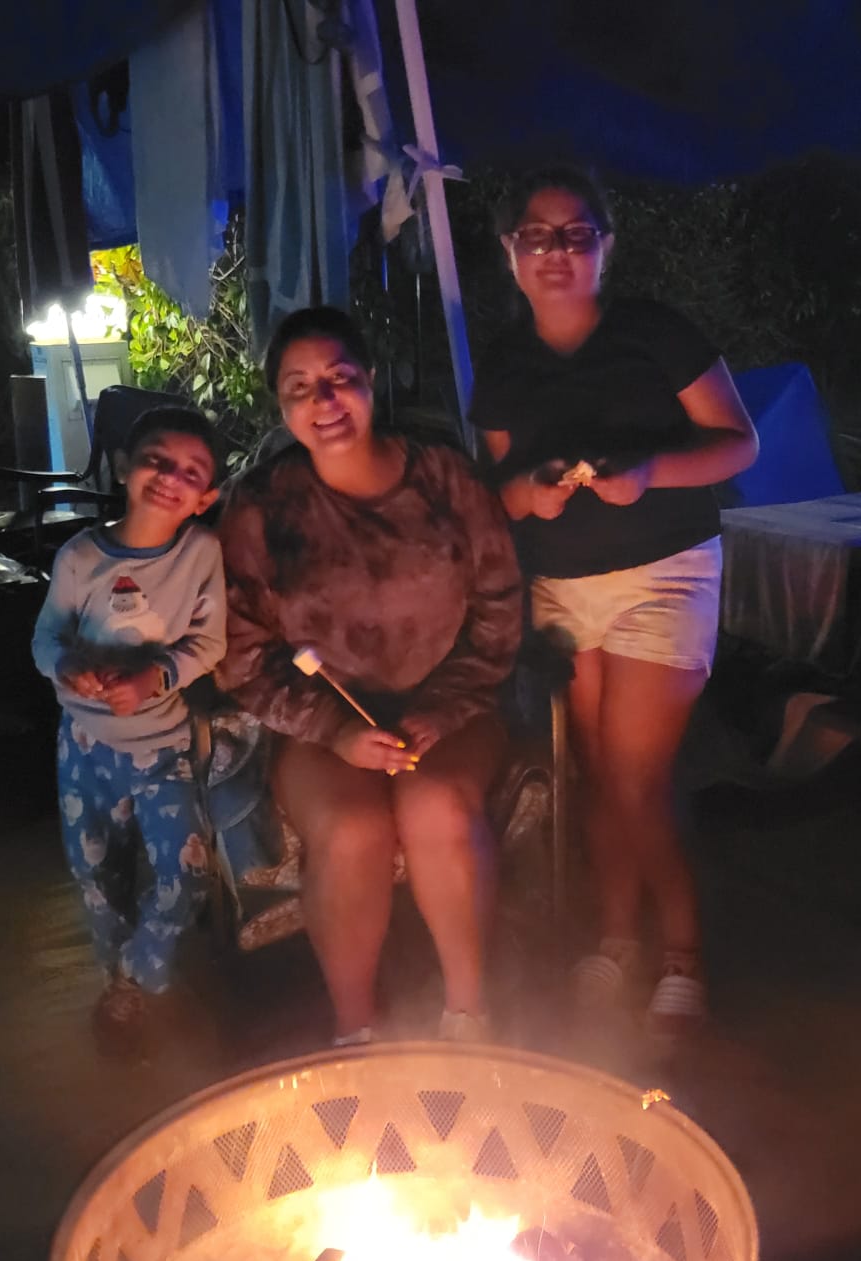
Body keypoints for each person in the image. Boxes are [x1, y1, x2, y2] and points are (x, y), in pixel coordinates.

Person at [470, 164, 759, 1034]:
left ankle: (682, 954)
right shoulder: (505, 363)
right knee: (598, 775)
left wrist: (650, 473)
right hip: (563, 585)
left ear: (605, 245)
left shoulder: (655, 333)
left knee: (635, 780)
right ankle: (618, 937)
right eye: (536, 235)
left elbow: (739, 442)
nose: (556, 251)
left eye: (575, 234)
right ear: (510, 251)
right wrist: (533, 496)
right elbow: (497, 491)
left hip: (664, 572)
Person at [218, 306, 522, 1046]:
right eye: (299, 388)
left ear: (371, 380)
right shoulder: (262, 507)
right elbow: (241, 655)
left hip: (450, 714)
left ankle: (467, 1017)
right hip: (323, 730)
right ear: (282, 406)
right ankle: (357, 1033)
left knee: (435, 805)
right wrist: (336, 730)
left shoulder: (445, 479)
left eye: (339, 378)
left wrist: (443, 709)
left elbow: (499, 607)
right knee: (353, 829)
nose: (323, 401)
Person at [31, 405, 228, 1058]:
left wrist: (155, 677)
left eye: (192, 472)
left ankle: (137, 970)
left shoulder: (200, 553)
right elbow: (46, 636)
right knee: (97, 874)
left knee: (186, 872)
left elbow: (209, 642)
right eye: (156, 460)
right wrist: (67, 667)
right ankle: (119, 987)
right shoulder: (80, 556)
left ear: (206, 498)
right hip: (84, 748)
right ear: (123, 466)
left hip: (163, 746)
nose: (171, 477)